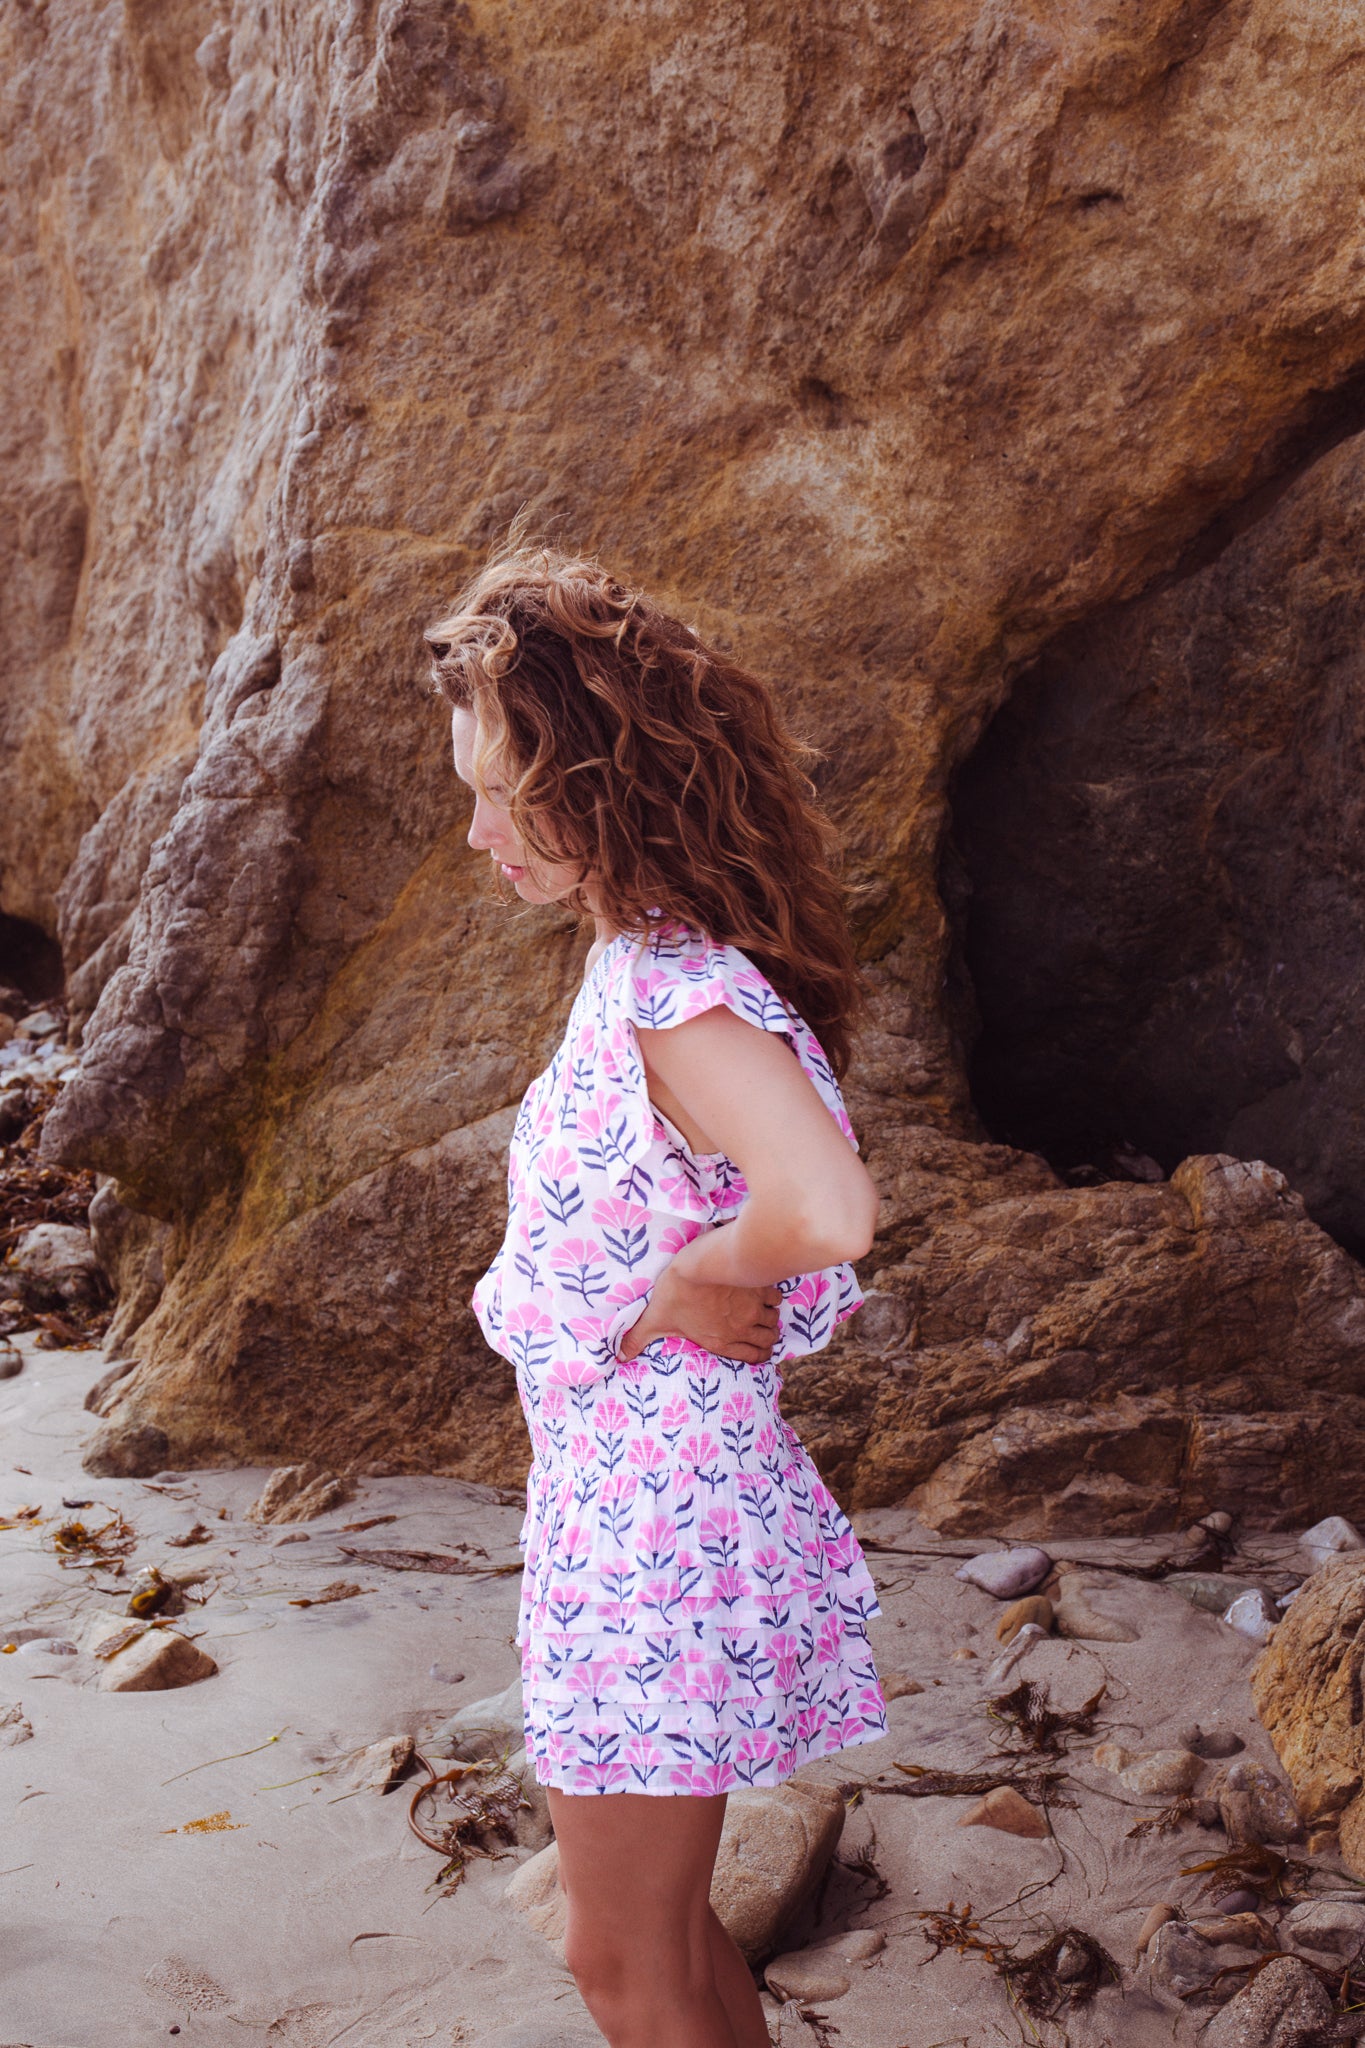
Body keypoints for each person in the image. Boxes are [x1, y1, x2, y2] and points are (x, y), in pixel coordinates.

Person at [426, 545, 888, 2048]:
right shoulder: (654, 968)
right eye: (470, 790)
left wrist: (696, 1271)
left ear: (608, 783)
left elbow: (823, 1211)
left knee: (617, 1961)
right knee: (669, 1941)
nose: (480, 831)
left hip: (649, 1518)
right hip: (643, 1501)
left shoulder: (670, 988)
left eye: (508, 791)